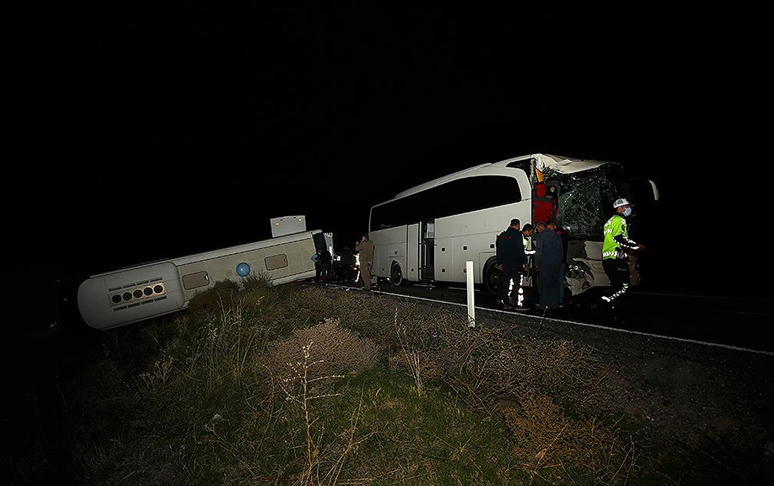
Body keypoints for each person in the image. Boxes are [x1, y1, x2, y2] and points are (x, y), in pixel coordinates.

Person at [600, 198, 645, 313]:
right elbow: (618, 238)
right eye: (626, 207)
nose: (628, 209)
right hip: (616, 259)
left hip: (608, 259)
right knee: (624, 287)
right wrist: (635, 245)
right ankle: (603, 304)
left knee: (617, 287)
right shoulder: (619, 220)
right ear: (619, 208)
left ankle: (611, 310)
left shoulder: (609, 222)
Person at [495, 218, 529, 310]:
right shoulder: (517, 235)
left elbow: (499, 250)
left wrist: (500, 262)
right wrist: (525, 262)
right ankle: (515, 303)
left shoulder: (503, 235)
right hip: (515, 263)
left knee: (505, 284)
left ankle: (505, 303)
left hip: (505, 263)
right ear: (517, 225)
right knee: (517, 284)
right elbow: (520, 250)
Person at [533, 221, 564, 312]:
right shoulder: (557, 236)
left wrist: (537, 264)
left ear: (540, 228)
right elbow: (561, 251)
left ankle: (544, 304)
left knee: (544, 284)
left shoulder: (541, 236)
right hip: (556, 264)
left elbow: (539, 251)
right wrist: (559, 262)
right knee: (554, 284)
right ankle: (554, 304)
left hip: (545, 264)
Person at [547, 221, 568, 306]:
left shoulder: (557, 235)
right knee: (558, 281)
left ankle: (557, 300)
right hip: (561, 261)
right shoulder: (563, 234)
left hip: (556, 261)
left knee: (556, 281)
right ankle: (559, 300)